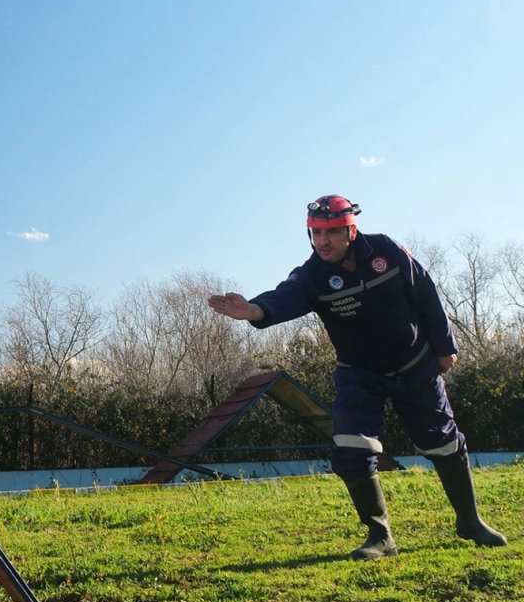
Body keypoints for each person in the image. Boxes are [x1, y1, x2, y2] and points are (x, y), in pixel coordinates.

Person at [207, 194, 506, 560]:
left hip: (415, 365)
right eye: (315, 234)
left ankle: (470, 521)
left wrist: (445, 347)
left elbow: (426, 293)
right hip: (360, 373)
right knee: (351, 447)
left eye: (331, 232)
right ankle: (380, 537)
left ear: (351, 229)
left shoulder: (388, 251)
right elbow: (285, 298)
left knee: (443, 444)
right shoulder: (311, 275)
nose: (323, 242)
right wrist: (253, 310)